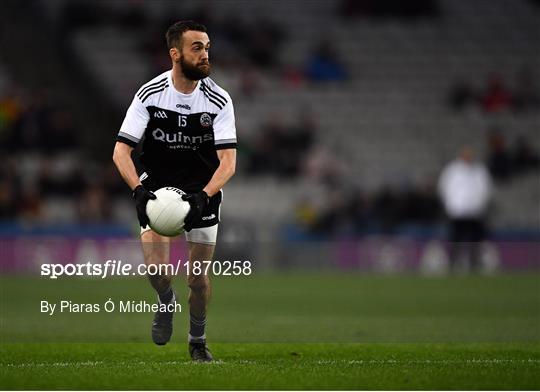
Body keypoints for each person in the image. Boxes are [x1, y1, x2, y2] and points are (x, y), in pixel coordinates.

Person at [112, 21, 237, 362]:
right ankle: (166, 300)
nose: (205, 54)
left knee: (197, 279)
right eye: (197, 47)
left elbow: (228, 162)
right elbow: (121, 151)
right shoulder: (150, 94)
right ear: (175, 53)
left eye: (207, 47)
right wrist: (137, 190)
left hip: (202, 190)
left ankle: (197, 341)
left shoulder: (218, 100)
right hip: (155, 189)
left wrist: (204, 196)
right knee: (156, 271)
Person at [438, 146, 492, 272]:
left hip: (475, 212)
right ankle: (453, 263)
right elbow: (444, 188)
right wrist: (450, 205)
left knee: (476, 239)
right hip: (457, 211)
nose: (468, 158)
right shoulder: (452, 170)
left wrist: (480, 205)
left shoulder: (480, 170)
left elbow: (486, 189)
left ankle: (475, 264)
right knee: (456, 238)